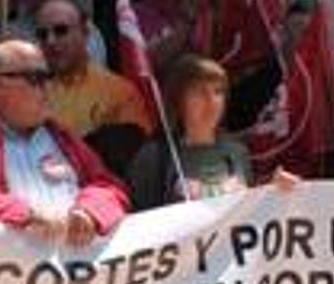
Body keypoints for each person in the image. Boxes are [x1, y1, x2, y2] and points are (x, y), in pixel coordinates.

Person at [0, 37, 129, 247]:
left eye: (48, 77)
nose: (47, 87)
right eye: (35, 78)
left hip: (74, 272)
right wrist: (22, 215)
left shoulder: (63, 137)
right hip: (1, 270)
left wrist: (90, 212)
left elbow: (109, 186)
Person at [127, 54, 296, 212]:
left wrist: (273, 191)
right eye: (199, 92)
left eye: (218, 92)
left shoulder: (237, 152)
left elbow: (246, 217)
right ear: (178, 100)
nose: (211, 101)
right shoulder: (154, 158)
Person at [34, 0, 153, 138]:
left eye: (61, 31)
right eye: (43, 35)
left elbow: (137, 151)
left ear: (85, 33)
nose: (50, 41)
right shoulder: (29, 95)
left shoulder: (119, 92)